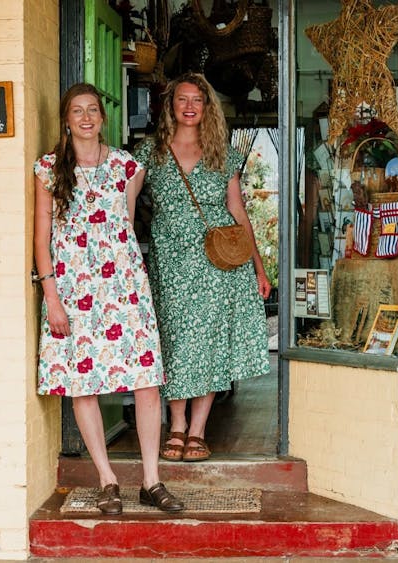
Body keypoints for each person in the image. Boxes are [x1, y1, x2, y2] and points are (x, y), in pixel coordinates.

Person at [32, 82, 184, 514]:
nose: (86, 117)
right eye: (77, 110)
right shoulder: (48, 170)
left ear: (103, 117)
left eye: (93, 109)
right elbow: (41, 240)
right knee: (84, 387)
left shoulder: (126, 166)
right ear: (66, 118)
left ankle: (152, 480)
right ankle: (107, 479)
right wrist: (52, 298)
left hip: (124, 288)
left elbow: (124, 226)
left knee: (147, 383)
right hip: (73, 292)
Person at [134, 73, 271, 463]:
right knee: (174, 342)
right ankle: (175, 424)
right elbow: (124, 204)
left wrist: (259, 268)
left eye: (198, 100)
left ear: (207, 107)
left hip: (218, 265)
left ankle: (197, 430)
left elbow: (238, 212)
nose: (190, 106)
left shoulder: (222, 154)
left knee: (210, 345)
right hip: (171, 263)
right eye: (182, 99)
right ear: (171, 106)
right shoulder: (151, 152)